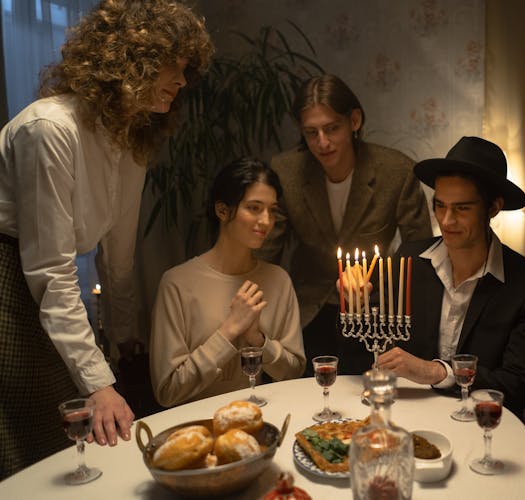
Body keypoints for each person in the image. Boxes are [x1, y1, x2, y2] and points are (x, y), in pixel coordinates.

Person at [0, 0, 212, 479]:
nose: (181, 82)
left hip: (44, 290)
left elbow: (117, 260)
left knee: (68, 439)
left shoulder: (130, 140)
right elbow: (51, 270)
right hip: (8, 288)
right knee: (27, 444)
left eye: (184, 71)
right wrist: (99, 382)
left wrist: (125, 343)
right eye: (172, 66)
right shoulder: (50, 128)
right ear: (129, 60)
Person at [257, 74, 432, 375]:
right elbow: (267, 249)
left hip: (375, 308)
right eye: (311, 133)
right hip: (308, 309)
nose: (322, 142)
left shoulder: (396, 171)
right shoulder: (287, 172)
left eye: (332, 128)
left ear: (354, 120)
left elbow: (419, 252)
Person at [371, 136, 525, 417]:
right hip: (411, 416)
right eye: (440, 205)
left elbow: (524, 386)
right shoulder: (408, 260)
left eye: (462, 208)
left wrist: (436, 371)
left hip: (484, 424)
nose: (446, 220)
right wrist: (354, 300)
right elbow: (363, 348)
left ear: (493, 208)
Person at [150, 159, 305, 407]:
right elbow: (168, 391)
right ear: (222, 211)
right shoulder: (176, 283)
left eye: (272, 210)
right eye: (254, 208)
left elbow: (294, 372)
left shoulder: (278, 280)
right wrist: (228, 331)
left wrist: (258, 340)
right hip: (196, 430)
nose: (266, 221)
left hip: (262, 420)